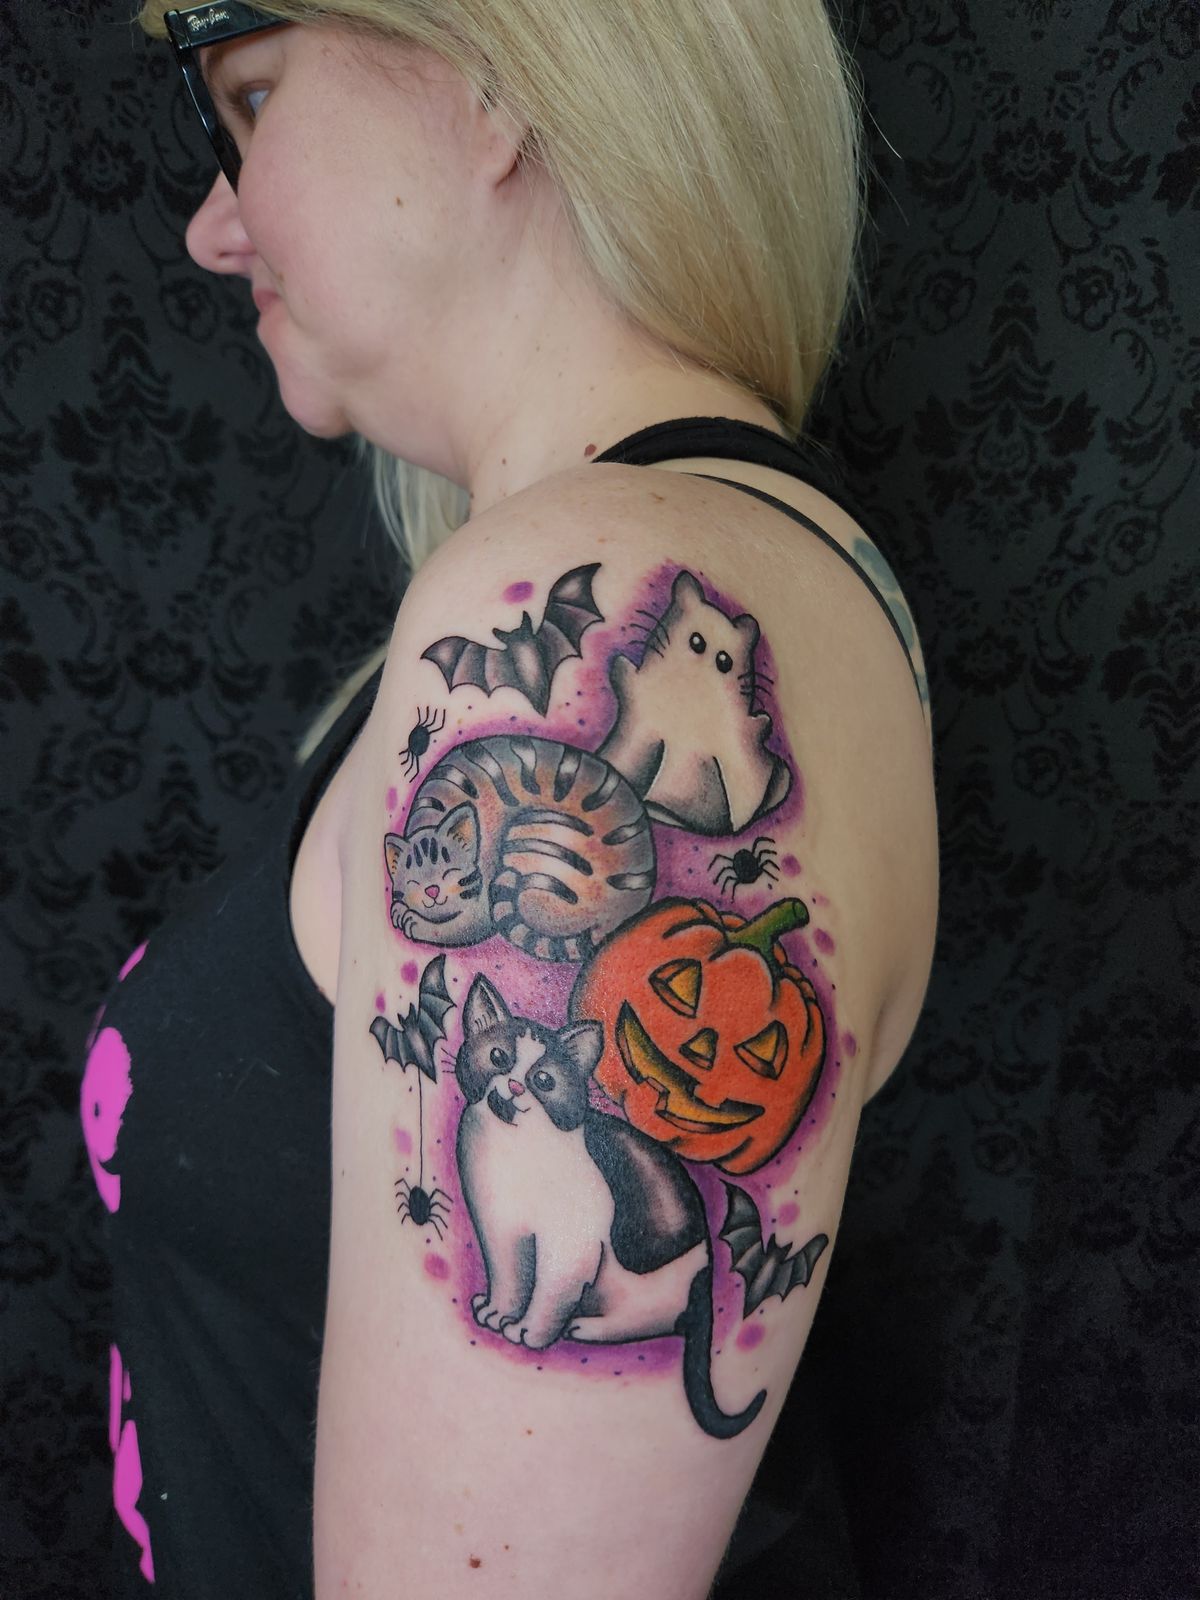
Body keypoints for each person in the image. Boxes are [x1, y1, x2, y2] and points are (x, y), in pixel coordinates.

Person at [83, 1, 937, 1594]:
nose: (213, 225)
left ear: (489, 80)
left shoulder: (602, 573)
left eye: (249, 96)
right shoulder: (664, 568)